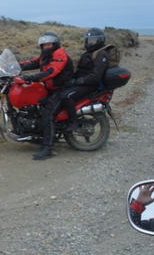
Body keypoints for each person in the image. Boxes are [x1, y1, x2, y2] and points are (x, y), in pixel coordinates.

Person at [15, 31, 74, 160]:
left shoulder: (60, 54)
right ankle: (39, 136)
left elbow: (51, 72)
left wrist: (28, 78)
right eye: (44, 45)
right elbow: (31, 62)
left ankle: (47, 148)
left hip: (62, 88)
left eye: (49, 44)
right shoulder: (45, 56)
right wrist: (13, 66)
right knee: (37, 106)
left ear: (55, 43)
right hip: (52, 88)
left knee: (48, 113)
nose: (46, 46)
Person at [60, 28, 109, 131]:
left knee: (66, 96)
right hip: (82, 82)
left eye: (93, 40)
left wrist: (77, 81)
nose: (90, 42)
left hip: (90, 85)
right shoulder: (90, 53)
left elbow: (96, 76)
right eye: (88, 39)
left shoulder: (101, 54)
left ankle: (73, 122)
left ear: (100, 40)